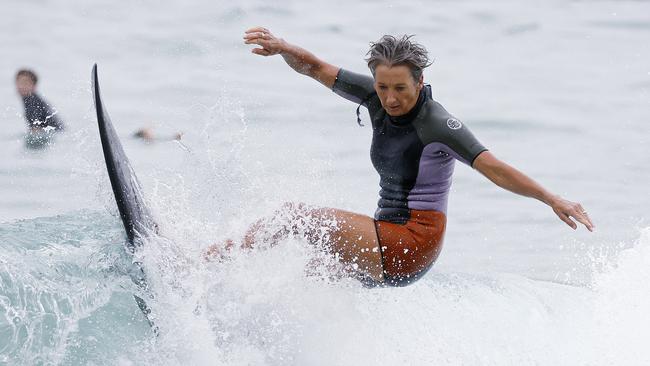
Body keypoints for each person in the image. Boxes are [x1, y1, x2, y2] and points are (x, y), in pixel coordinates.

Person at [206, 27, 595, 287]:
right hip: (384, 239)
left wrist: (552, 198)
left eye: (400, 89)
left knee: (292, 218)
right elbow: (315, 68)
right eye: (382, 87)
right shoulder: (376, 97)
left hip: (410, 243)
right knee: (307, 276)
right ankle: (224, 307)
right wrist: (284, 48)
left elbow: (493, 167)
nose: (390, 98)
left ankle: (201, 266)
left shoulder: (438, 125)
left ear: (420, 82)